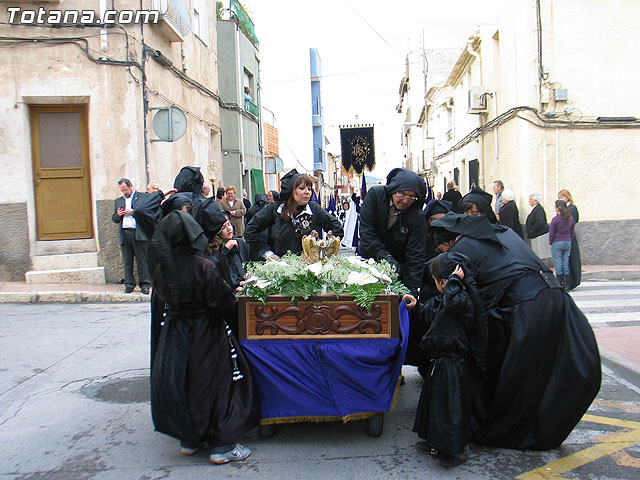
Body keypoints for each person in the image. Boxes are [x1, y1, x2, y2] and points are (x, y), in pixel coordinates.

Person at [428, 213, 600, 450]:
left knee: (519, 378)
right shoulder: (501, 232)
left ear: (447, 243)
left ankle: (517, 433)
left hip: (527, 307)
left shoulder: (461, 250)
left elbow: (470, 301)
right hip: (556, 297)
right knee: (550, 371)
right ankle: (542, 429)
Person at [148, 208, 259, 464]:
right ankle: (222, 446)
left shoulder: (163, 268)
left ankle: (190, 439)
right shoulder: (203, 267)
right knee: (216, 386)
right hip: (205, 332)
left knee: (185, 383)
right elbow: (224, 303)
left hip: (175, 333)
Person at [414, 255, 478, 468]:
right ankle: (434, 440)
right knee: (435, 404)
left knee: (450, 409)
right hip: (442, 360)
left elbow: (449, 304)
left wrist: (452, 281)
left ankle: (456, 450)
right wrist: (416, 306)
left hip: (454, 362)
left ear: (443, 282)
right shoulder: (452, 298)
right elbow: (434, 316)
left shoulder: (462, 299)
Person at [358, 167, 427, 308]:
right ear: (393, 189)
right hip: (369, 262)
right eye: (402, 194)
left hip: (399, 268)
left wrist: (411, 291)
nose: (406, 200)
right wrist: (384, 256)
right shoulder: (375, 196)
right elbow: (366, 233)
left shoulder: (417, 216)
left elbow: (416, 254)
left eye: (411, 196)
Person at [244, 169, 343, 261]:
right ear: (291, 190)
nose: (307, 192)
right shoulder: (274, 209)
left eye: (309, 189)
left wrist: (325, 244)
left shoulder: (313, 209)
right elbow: (251, 230)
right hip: (278, 267)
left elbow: (337, 227)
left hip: (306, 267)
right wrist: (267, 253)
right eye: (302, 188)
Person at [112, 178, 151, 294]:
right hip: (125, 233)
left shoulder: (142, 197)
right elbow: (114, 219)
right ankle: (129, 284)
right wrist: (118, 215)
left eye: (125, 190)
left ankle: (145, 284)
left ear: (130, 186)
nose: (124, 193)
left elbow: (146, 211)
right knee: (127, 261)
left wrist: (132, 212)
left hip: (138, 233)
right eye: (122, 191)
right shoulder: (118, 201)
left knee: (142, 260)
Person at [558, 189, 582, 290]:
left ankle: (572, 281)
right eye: (559, 198)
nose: (560, 200)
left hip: (569, 236)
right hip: (564, 236)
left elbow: (573, 220)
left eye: (562, 197)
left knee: (571, 258)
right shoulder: (562, 208)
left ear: (567, 198)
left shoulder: (572, 208)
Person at [549, 199, 575, 291]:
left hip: (558, 241)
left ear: (557, 208)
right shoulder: (570, 218)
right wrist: (569, 239)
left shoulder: (556, 219)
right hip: (567, 241)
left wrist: (551, 242)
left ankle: (560, 283)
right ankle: (566, 284)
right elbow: (572, 232)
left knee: (558, 262)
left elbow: (552, 233)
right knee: (565, 262)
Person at [525, 192, 551, 261]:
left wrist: (532, 230)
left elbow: (540, 222)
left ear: (535, 201)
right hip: (535, 235)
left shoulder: (539, 209)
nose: (529, 201)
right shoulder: (534, 209)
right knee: (537, 253)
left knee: (541, 254)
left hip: (540, 234)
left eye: (530, 200)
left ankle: (543, 269)